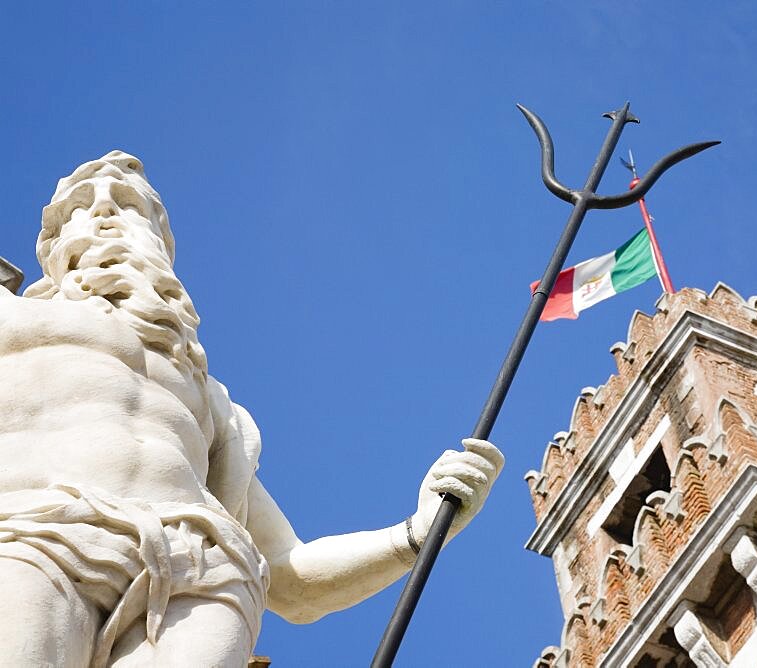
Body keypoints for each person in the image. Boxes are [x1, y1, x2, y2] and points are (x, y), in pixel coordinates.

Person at [0, 150, 503, 667]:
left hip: (202, 570)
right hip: (35, 536)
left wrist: (415, 533)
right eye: (83, 205)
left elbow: (292, 579)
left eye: (129, 204)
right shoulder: (11, 317)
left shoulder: (215, 405)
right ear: (53, 246)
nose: (107, 212)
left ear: (159, 242)